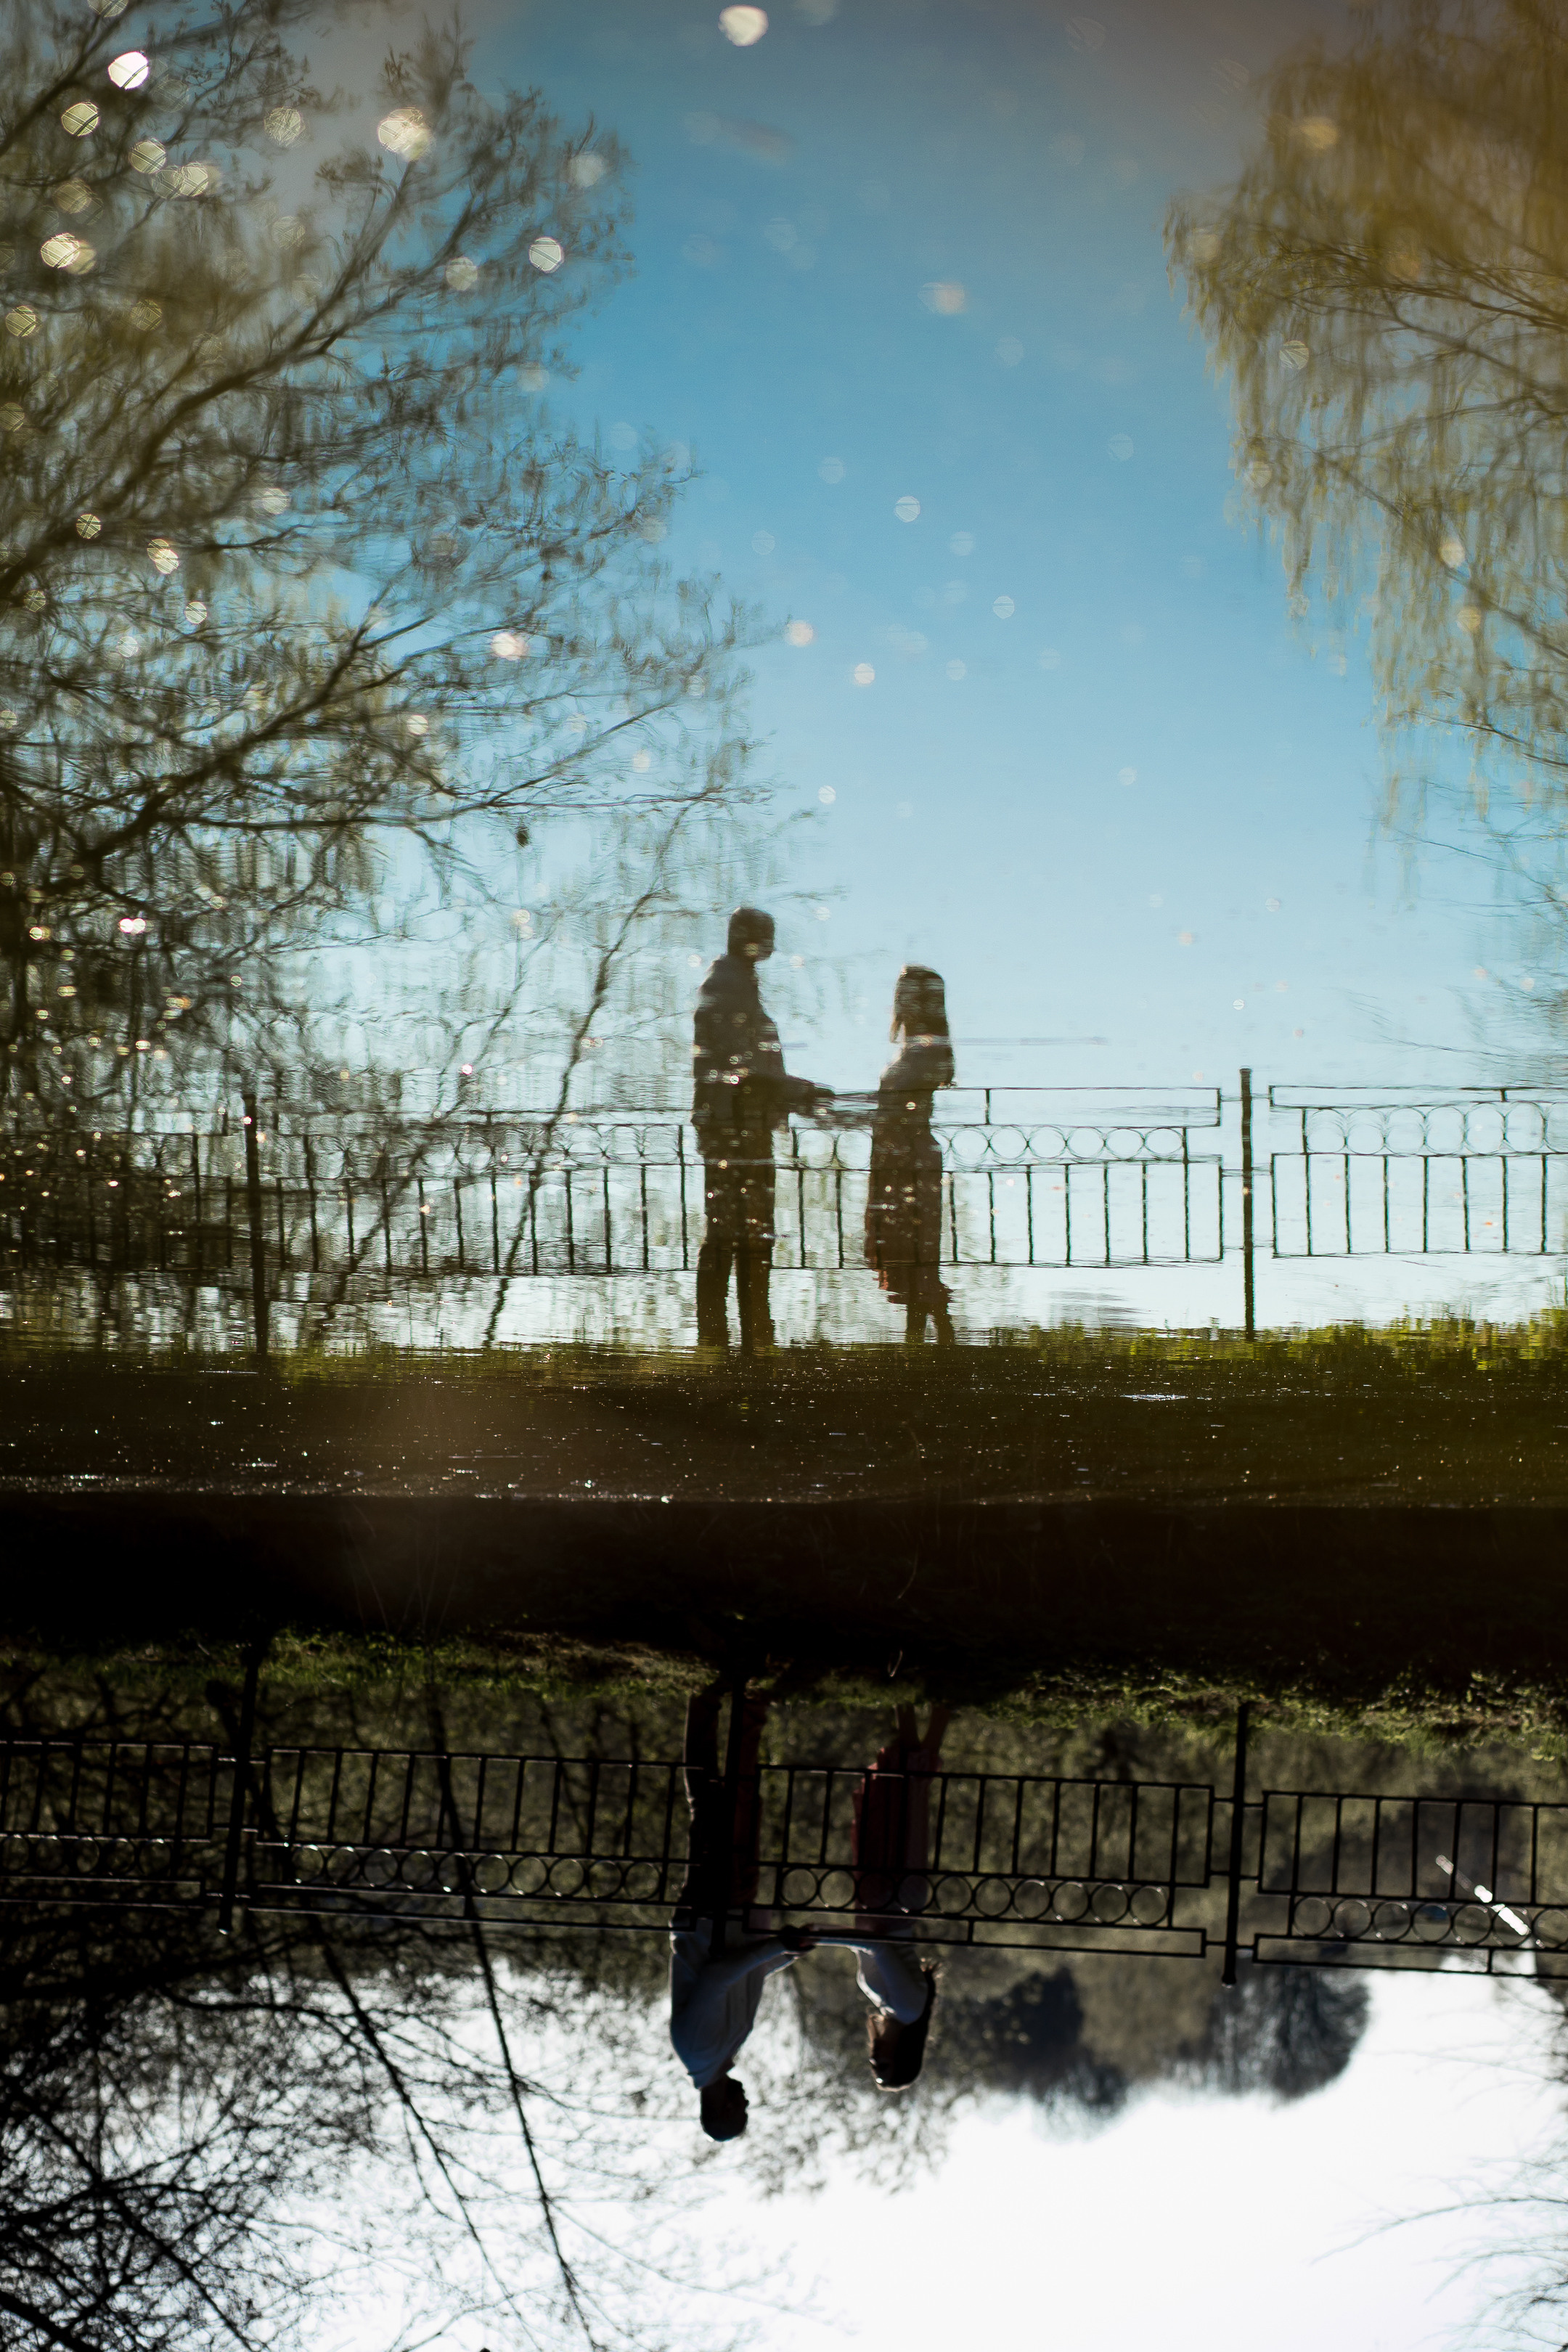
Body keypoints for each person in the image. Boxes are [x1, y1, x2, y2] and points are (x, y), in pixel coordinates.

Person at [669, 1681, 818, 2139]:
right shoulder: (720, 2052)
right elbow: (742, 1979)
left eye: (743, 2110)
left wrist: (774, 1945)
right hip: (729, 1914)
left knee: (723, 1805)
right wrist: (786, 1955)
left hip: (714, 1914)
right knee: (728, 1807)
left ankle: (736, 1700)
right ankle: (723, 1702)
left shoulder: (699, 2051)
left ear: (724, 2110)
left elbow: (717, 1976)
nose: (748, 2100)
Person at [692, 906, 833, 1350]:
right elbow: (741, 1069)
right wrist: (797, 1090)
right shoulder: (730, 985)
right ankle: (734, 1340)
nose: (769, 944)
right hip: (736, 1128)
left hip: (739, 1126)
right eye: (763, 935)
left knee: (740, 1234)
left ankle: (739, 1338)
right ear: (744, 937)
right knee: (738, 1235)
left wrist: (790, 1093)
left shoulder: (737, 984)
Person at [843, 1702, 951, 2090]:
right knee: (906, 1799)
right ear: (903, 2056)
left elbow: (868, 1949)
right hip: (894, 1900)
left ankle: (919, 1704)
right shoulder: (905, 2008)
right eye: (884, 2067)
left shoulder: (891, 2007)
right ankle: (918, 1702)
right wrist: (817, 1936)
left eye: (874, 2070)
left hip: (885, 1900)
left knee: (905, 1796)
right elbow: (879, 1948)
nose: (875, 2061)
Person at [864, 965, 955, 1345]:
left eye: (912, 996)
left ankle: (940, 1337)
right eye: (903, 995)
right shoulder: (919, 1050)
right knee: (912, 1253)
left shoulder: (926, 1052)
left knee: (916, 1252)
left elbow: (903, 1109)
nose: (904, 1003)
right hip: (898, 1159)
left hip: (906, 1162)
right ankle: (919, 1341)